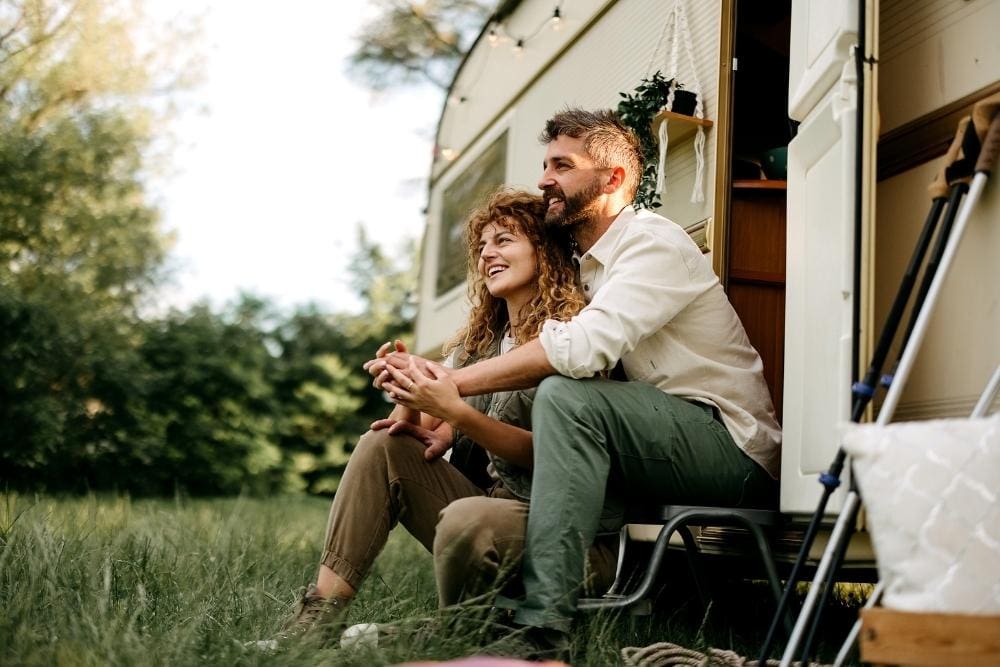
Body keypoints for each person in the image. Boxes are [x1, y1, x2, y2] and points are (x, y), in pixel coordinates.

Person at [371, 108, 782, 650]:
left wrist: (452, 384)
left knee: (570, 394)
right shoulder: (587, 268)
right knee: (560, 402)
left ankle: (542, 629)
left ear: (613, 179)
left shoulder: (651, 242)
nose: (545, 179)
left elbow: (583, 349)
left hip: (729, 448)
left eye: (562, 165)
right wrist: (443, 411)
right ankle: (477, 622)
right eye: (545, 165)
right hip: (653, 448)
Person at [277, 187, 619, 643]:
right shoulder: (483, 346)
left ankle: (452, 633)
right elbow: (428, 433)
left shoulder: (576, 340)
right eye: (482, 247)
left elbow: (561, 458)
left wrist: (457, 410)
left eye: (504, 240)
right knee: (382, 444)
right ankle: (316, 623)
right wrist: (409, 388)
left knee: (468, 516)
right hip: (492, 513)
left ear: (545, 249)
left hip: (572, 538)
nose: (487, 255)